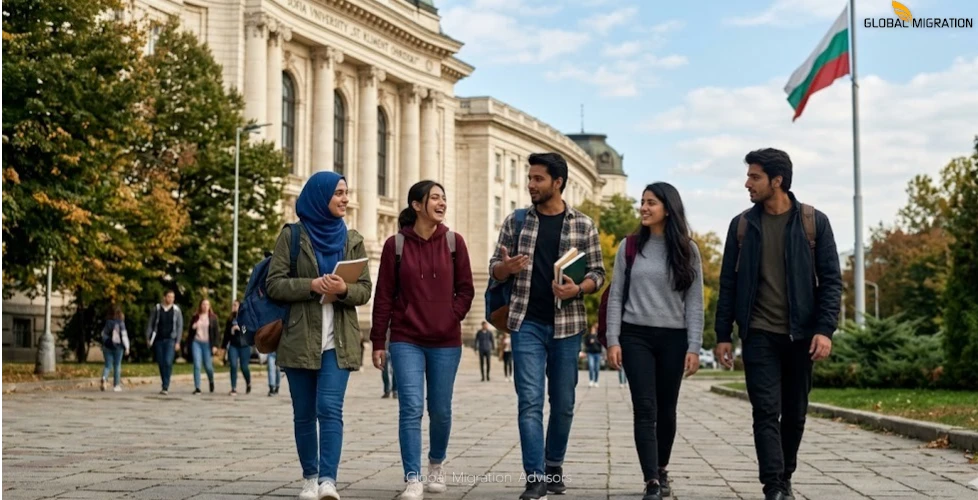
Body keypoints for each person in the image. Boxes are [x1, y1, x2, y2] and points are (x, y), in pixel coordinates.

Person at [714, 149, 842, 500]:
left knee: (795, 414)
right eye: (748, 176)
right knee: (766, 411)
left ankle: (784, 476)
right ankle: (773, 486)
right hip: (758, 334)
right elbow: (728, 284)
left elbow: (831, 282)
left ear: (777, 181)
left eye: (754, 177)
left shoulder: (814, 222)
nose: (747, 183)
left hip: (802, 335)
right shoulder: (741, 226)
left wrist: (824, 330)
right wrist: (723, 334)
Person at [488, 152, 605, 500]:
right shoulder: (516, 221)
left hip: (567, 326)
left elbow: (598, 274)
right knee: (530, 401)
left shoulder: (583, 225)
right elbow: (495, 267)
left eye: (538, 179)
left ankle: (553, 466)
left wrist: (578, 288)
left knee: (564, 403)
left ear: (558, 182)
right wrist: (505, 269)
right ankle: (535, 477)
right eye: (530, 178)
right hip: (526, 322)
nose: (530, 184)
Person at [267, 171, 373, 500]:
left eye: (346, 192)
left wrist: (344, 290)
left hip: (338, 340)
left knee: (330, 408)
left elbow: (365, 290)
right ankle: (310, 478)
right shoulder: (292, 236)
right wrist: (311, 285)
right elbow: (274, 284)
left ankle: (328, 480)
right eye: (338, 193)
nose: (345, 199)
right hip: (299, 337)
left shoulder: (352, 239)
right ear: (319, 196)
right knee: (303, 413)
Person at [371, 180, 475, 500]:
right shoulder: (395, 245)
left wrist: (451, 316)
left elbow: (466, 290)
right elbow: (384, 295)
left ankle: (436, 464)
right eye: (434, 198)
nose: (442, 203)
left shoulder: (455, 243)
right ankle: (413, 478)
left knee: (440, 410)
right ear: (417, 205)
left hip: (446, 341)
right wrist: (378, 341)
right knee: (411, 407)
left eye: (444, 198)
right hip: (406, 339)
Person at [605, 182, 705, 500]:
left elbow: (695, 302)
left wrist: (694, 346)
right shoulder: (630, 246)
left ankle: (661, 468)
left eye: (651, 203)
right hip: (635, 335)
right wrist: (613, 340)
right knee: (645, 407)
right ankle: (651, 480)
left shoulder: (688, 250)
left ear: (668, 209)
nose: (644, 208)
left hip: (674, 339)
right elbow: (616, 295)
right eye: (642, 202)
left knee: (667, 408)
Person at [146, 290, 183, 395]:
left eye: (173, 297)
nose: (171, 299)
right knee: (161, 362)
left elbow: (179, 326)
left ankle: (165, 385)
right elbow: (151, 323)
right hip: (158, 339)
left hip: (170, 339)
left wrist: (178, 341)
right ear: (164, 297)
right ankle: (164, 382)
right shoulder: (157, 309)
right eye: (169, 297)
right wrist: (148, 337)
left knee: (168, 361)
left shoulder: (176, 310)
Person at [188, 299, 219, 395]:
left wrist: (215, 345)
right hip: (196, 342)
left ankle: (211, 380)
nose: (205, 306)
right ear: (200, 306)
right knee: (197, 365)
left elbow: (216, 333)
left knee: (208, 366)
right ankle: (197, 387)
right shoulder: (195, 317)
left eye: (207, 304)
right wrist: (193, 326)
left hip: (207, 344)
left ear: (209, 306)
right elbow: (190, 331)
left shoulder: (213, 318)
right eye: (203, 304)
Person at [222, 300, 252, 396]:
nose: (233, 307)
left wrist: (240, 328)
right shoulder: (230, 319)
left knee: (244, 367)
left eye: (235, 305)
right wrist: (223, 347)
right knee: (233, 365)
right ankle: (233, 388)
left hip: (245, 346)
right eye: (233, 305)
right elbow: (226, 334)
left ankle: (248, 382)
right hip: (233, 345)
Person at [100, 306, 130, 392]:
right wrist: (127, 347)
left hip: (107, 347)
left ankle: (104, 377)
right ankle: (116, 385)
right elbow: (124, 336)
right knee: (117, 365)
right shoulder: (121, 323)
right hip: (118, 347)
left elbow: (103, 334)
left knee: (107, 365)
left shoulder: (108, 322)